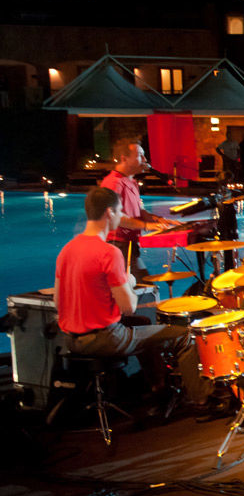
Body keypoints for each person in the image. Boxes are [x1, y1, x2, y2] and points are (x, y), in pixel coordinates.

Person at [55, 187, 205, 404]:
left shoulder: (67, 250)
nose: (122, 217)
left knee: (143, 324)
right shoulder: (109, 253)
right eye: (120, 212)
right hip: (105, 339)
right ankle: (201, 401)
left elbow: (58, 301)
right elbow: (128, 307)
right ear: (109, 213)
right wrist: (130, 281)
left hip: (72, 340)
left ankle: (159, 388)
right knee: (183, 336)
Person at [100, 138, 177, 278]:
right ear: (124, 158)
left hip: (129, 245)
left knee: (141, 285)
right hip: (117, 246)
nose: (145, 160)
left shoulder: (132, 182)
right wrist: (146, 225)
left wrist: (159, 220)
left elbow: (138, 211)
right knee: (141, 285)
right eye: (140, 155)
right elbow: (116, 216)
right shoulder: (113, 183)